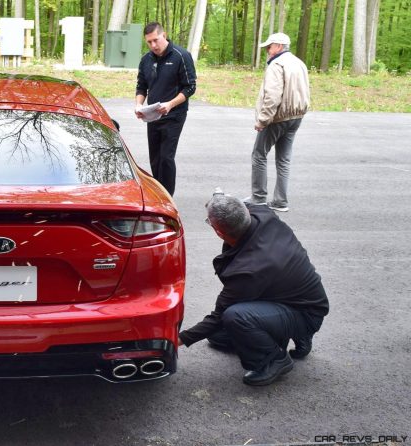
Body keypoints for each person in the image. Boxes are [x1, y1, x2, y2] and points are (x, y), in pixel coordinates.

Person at [178, 189, 329, 386]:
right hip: (297, 295)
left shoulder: (249, 269)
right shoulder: (262, 213)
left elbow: (219, 316)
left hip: (306, 312)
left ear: (218, 232)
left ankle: (274, 360)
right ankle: (288, 334)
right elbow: (237, 206)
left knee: (234, 317)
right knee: (217, 337)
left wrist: (177, 340)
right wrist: (222, 198)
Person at [246, 32, 310, 212]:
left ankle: (258, 199)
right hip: (296, 117)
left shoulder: (276, 64)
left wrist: (262, 120)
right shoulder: (299, 63)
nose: (268, 49)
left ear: (279, 47)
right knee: (284, 159)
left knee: (259, 154)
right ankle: (281, 201)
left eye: (270, 46)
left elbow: (272, 97)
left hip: (277, 118)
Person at [135, 22, 197, 196]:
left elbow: (190, 87)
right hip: (153, 115)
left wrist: (170, 104)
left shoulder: (181, 56)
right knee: (155, 159)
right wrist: (139, 105)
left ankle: (167, 198)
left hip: (174, 114)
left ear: (164, 35)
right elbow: (141, 87)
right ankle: (159, 194)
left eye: (156, 40)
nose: (153, 45)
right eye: (149, 42)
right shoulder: (146, 60)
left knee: (166, 158)